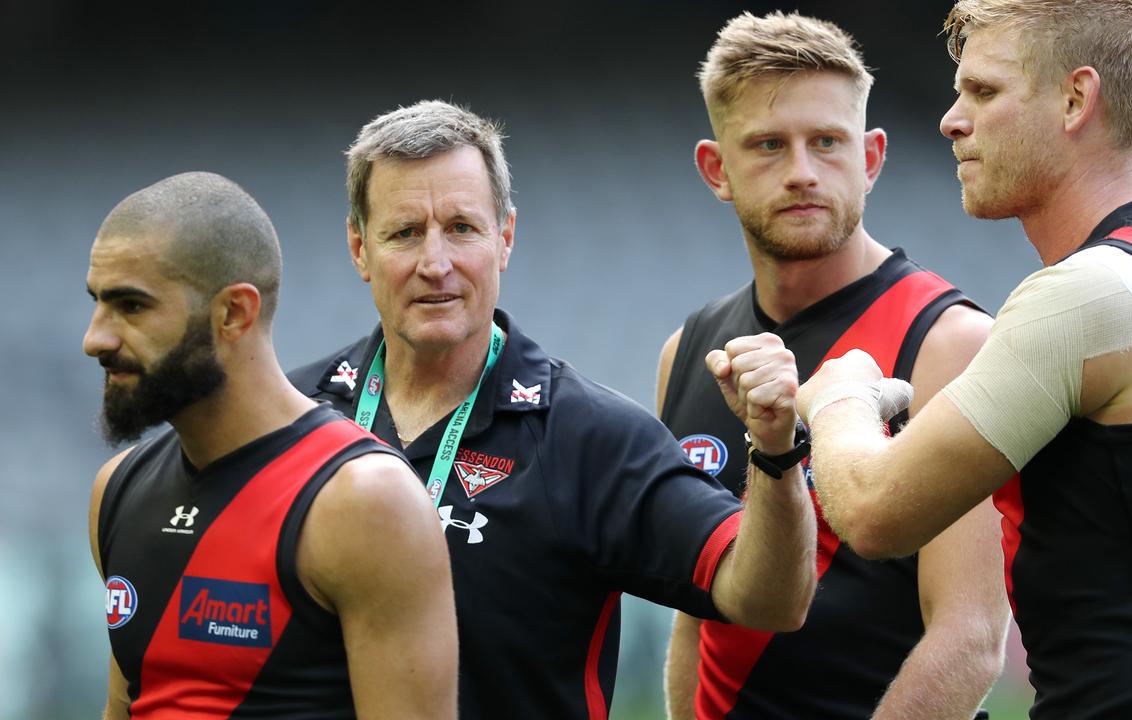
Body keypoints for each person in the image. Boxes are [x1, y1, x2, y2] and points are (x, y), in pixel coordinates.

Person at [796, 1, 1132, 717]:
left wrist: (839, 397)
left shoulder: (1085, 297)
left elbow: (873, 510)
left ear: (1076, 99)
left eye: (984, 92)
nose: (951, 120)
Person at [288, 99, 821, 719]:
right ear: (359, 248)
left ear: (504, 238)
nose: (435, 264)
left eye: (462, 228)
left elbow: (772, 601)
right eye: (405, 233)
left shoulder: (590, 436)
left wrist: (778, 453)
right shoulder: (295, 418)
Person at [660, 11, 1010, 720]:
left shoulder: (950, 341)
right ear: (716, 169)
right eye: (767, 146)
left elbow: (969, 637)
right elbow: (695, 612)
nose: (801, 172)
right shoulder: (688, 352)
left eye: (827, 142)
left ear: (871, 158)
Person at [84, 172, 457, 719]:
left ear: (234, 313)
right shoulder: (117, 488)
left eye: (131, 307)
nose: (96, 338)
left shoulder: (365, 501)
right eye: (98, 303)